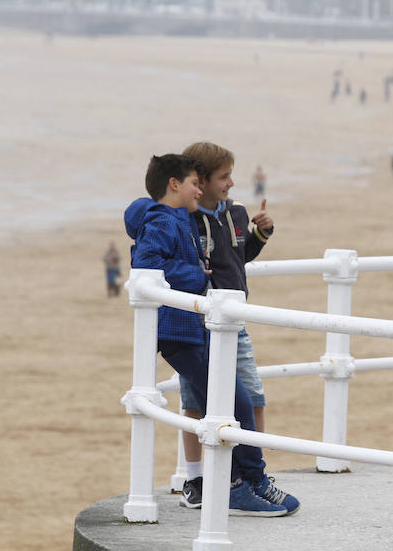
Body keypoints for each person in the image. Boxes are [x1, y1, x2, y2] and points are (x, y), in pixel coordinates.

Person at [124, 154, 299, 517]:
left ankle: (250, 482)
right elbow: (146, 265)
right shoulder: (162, 219)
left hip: (191, 329)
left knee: (234, 402)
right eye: (193, 183)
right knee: (235, 403)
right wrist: (198, 277)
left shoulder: (173, 217)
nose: (199, 190)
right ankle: (243, 485)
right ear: (174, 184)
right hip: (179, 331)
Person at [178, 142, 283, 511]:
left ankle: (255, 475)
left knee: (253, 398)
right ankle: (195, 478)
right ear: (200, 181)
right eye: (224, 177)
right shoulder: (185, 219)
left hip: (236, 322)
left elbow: (239, 256)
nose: (232, 183)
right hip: (200, 324)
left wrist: (261, 235)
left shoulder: (236, 213)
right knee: (195, 405)